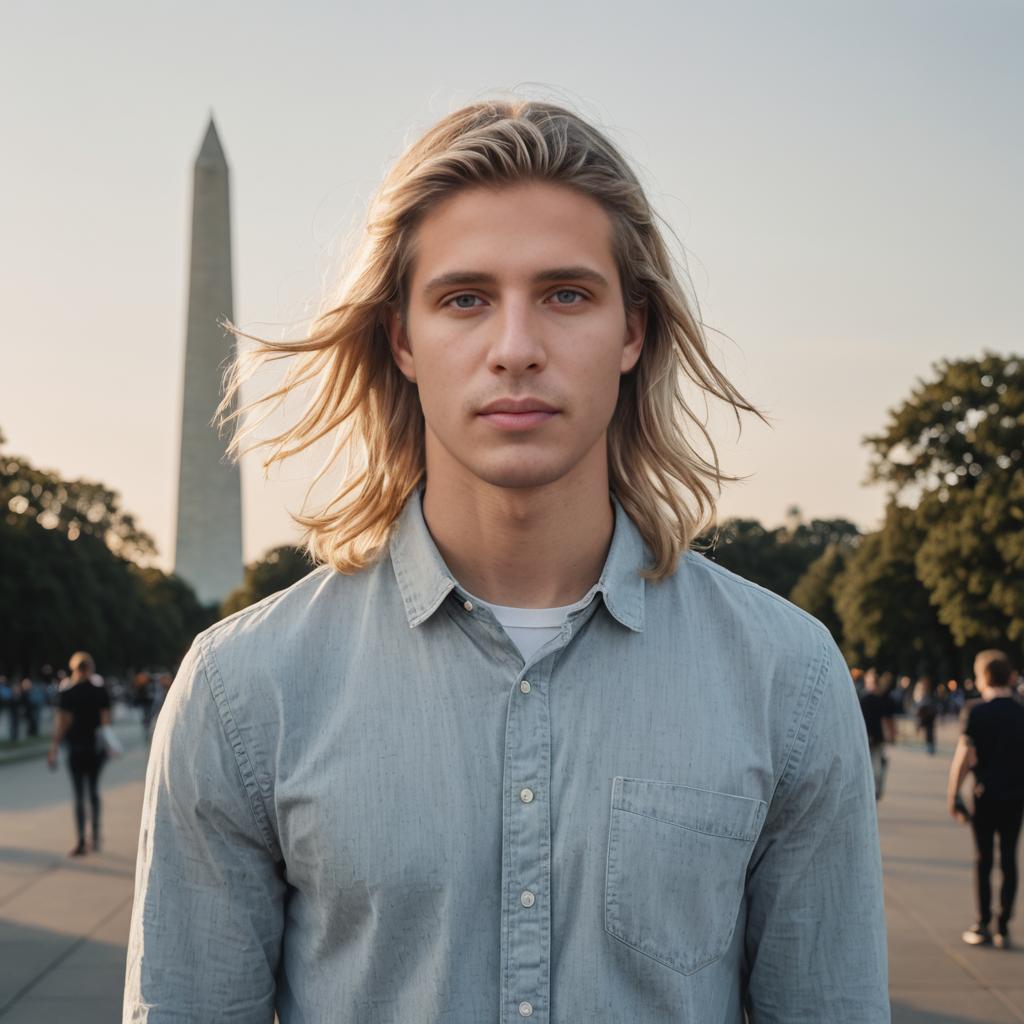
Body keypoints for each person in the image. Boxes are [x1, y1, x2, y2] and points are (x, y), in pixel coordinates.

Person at [124, 99, 890, 1022]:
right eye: (465, 299)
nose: (516, 350)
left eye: (566, 295)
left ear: (633, 332)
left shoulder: (789, 683)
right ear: (401, 338)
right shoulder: (243, 694)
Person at [947, 649, 1024, 949]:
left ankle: (982, 923)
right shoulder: (1021, 713)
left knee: (983, 858)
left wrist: (953, 793)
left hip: (985, 795)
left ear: (983, 678)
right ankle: (1003, 924)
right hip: (1016, 796)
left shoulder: (976, 711)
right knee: (1009, 857)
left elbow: (965, 756)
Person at [46, 651, 112, 856]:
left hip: (75, 747)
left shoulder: (67, 693)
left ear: (73, 669)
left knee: (78, 794)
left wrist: (54, 748)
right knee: (93, 790)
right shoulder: (100, 691)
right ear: (90, 668)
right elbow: (105, 721)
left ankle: (81, 841)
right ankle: (96, 836)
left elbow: (62, 723)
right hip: (95, 747)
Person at [860, 667, 896, 800]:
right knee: (873, 768)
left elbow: (887, 718)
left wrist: (891, 734)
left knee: (875, 768)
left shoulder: (879, 699)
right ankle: (872, 791)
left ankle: (874, 792)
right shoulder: (863, 698)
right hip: (868, 739)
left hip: (874, 739)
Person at [913, 677, 939, 754]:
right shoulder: (919, 694)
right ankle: (928, 746)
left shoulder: (929, 696)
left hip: (928, 716)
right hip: (923, 715)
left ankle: (930, 746)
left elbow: (931, 706)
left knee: (929, 732)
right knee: (927, 731)